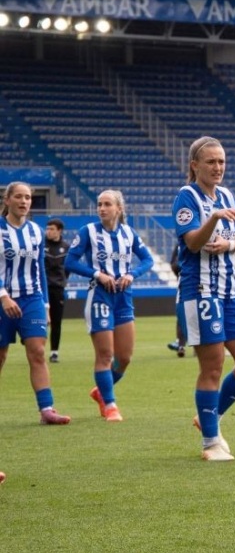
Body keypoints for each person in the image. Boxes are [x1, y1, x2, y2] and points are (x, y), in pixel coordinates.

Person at [174, 137, 235, 461]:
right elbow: (193, 243)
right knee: (212, 366)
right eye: (211, 162)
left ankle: (208, 416)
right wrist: (213, 219)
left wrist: (229, 246)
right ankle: (211, 442)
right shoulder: (186, 198)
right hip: (201, 292)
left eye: (221, 161)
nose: (218, 167)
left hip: (230, 291)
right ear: (195, 165)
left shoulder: (226, 195)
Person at [65, 190, 154, 422]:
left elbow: (148, 259)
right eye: (99, 204)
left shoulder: (129, 233)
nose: (102, 208)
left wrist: (132, 274)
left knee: (124, 358)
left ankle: (101, 392)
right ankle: (110, 404)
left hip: (124, 298)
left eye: (107, 204)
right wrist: (97, 274)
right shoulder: (88, 232)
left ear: (119, 209)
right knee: (105, 355)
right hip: (100, 298)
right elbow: (70, 261)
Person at [0, 182, 71, 425]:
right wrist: (3, 296)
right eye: (18, 197)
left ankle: (46, 409)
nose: (24, 201)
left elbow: (39, 269)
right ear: (7, 200)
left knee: (38, 352)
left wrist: (46, 305)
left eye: (28, 197)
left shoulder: (35, 232)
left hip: (31, 299)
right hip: (2, 299)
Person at [44, 218, 68, 363]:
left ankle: (54, 352)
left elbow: (69, 267)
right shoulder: (41, 246)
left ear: (59, 231)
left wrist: (62, 280)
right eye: (47, 229)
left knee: (56, 321)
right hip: (42, 288)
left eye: (52, 229)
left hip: (57, 289)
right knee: (39, 319)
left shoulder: (66, 248)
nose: (49, 232)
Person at [166, 246, 187, 357]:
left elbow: (173, 264)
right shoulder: (180, 245)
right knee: (182, 315)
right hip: (185, 283)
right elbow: (173, 264)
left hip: (198, 283)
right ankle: (181, 345)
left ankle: (181, 345)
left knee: (185, 315)